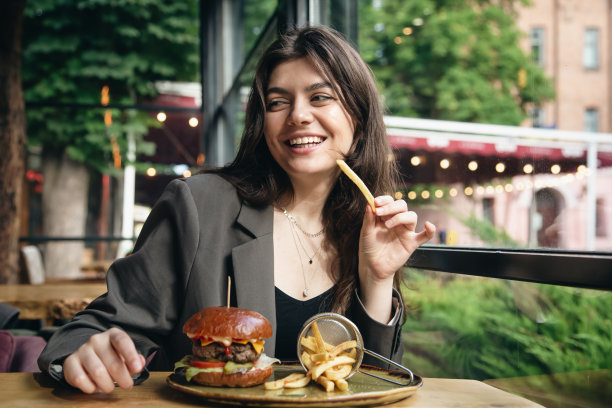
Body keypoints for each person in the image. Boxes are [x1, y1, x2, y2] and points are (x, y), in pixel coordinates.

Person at [38, 25, 435, 394]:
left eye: (320, 97)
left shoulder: (364, 228)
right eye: (278, 102)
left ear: (361, 122)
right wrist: (87, 352)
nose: (297, 115)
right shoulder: (199, 204)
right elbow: (93, 328)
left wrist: (378, 279)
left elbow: (376, 384)